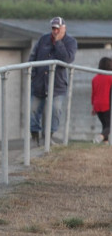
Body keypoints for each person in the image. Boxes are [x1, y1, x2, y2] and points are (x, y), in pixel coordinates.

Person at [28, 16, 77, 145]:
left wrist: (59, 42)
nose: (55, 31)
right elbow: (33, 56)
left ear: (63, 28)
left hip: (57, 85)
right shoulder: (43, 39)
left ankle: (48, 137)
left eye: (57, 28)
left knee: (55, 110)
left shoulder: (70, 42)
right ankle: (34, 136)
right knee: (33, 109)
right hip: (39, 83)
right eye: (53, 28)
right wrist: (32, 74)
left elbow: (66, 60)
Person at [91, 56, 112, 145]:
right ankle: (101, 136)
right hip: (107, 104)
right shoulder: (110, 77)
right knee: (109, 126)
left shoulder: (95, 78)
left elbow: (93, 93)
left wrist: (93, 107)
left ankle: (105, 142)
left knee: (105, 124)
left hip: (97, 105)